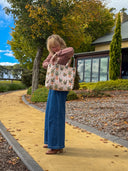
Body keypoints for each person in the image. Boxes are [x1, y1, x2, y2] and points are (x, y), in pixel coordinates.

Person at [42, 34, 74, 154]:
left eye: (56, 46)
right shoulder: (51, 54)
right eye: (52, 48)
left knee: (56, 114)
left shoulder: (66, 52)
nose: (54, 49)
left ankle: (56, 146)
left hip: (61, 87)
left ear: (60, 43)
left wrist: (57, 54)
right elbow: (44, 64)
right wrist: (50, 61)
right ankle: (50, 141)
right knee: (50, 113)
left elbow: (71, 50)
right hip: (53, 86)